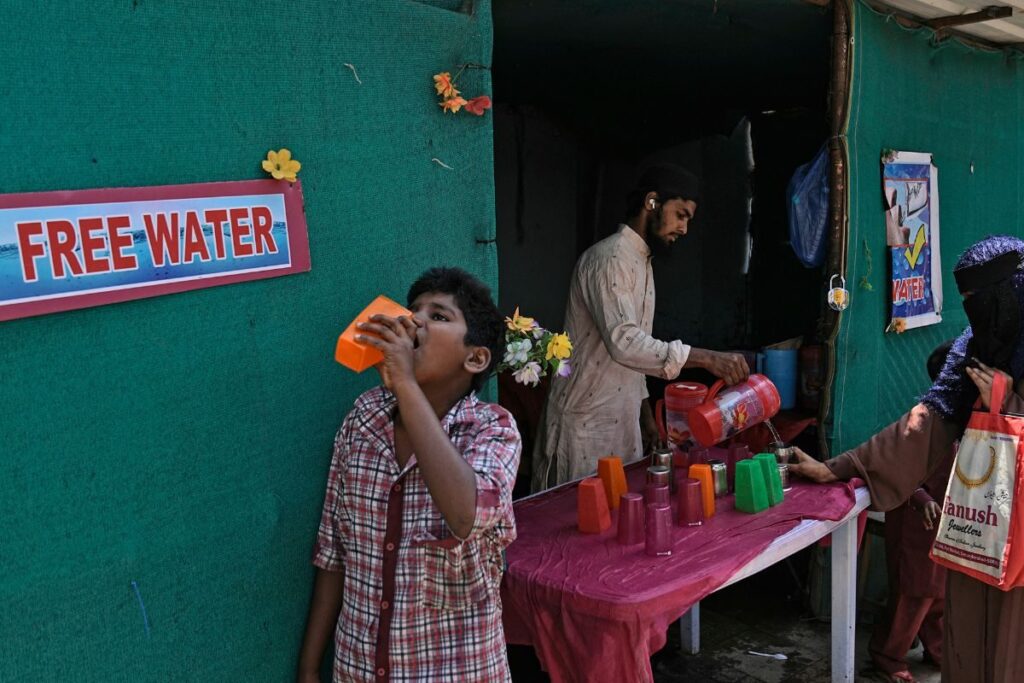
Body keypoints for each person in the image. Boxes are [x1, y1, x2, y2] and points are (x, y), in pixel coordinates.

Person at [791, 236, 1024, 683]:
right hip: (981, 531)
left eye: (981, 300)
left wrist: (1006, 402)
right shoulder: (972, 348)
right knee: (969, 637)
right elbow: (923, 427)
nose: (975, 313)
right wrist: (837, 467)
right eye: (966, 303)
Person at [296, 267, 521, 682]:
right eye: (413, 309)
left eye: (438, 316)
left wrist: (404, 382)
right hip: (357, 670)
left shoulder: (492, 430)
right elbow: (332, 554)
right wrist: (310, 669)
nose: (414, 320)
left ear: (475, 357)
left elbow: (466, 515)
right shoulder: (363, 420)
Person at [531, 163, 749, 491]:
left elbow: (637, 351)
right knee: (576, 524)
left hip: (621, 422)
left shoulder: (641, 262)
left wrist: (645, 414)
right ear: (651, 203)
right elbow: (625, 342)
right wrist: (706, 358)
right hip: (585, 423)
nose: (684, 228)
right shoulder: (609, 259)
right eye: (681, 215)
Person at [868, 341, 955, 683]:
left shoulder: (966, 419)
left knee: (941, 592)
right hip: (914, 518)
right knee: (912, 593)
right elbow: (895, 469)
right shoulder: (922, 418)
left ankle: (937, 650)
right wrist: (921, 498)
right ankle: (887, 656)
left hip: (946, 519)